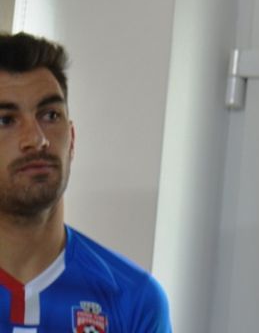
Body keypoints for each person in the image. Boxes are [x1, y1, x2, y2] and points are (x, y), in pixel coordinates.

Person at [0, 32, 171, 332]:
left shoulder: (134, 300)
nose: (36, 139)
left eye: (50, 115)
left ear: (72, 139)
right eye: (6, 120)